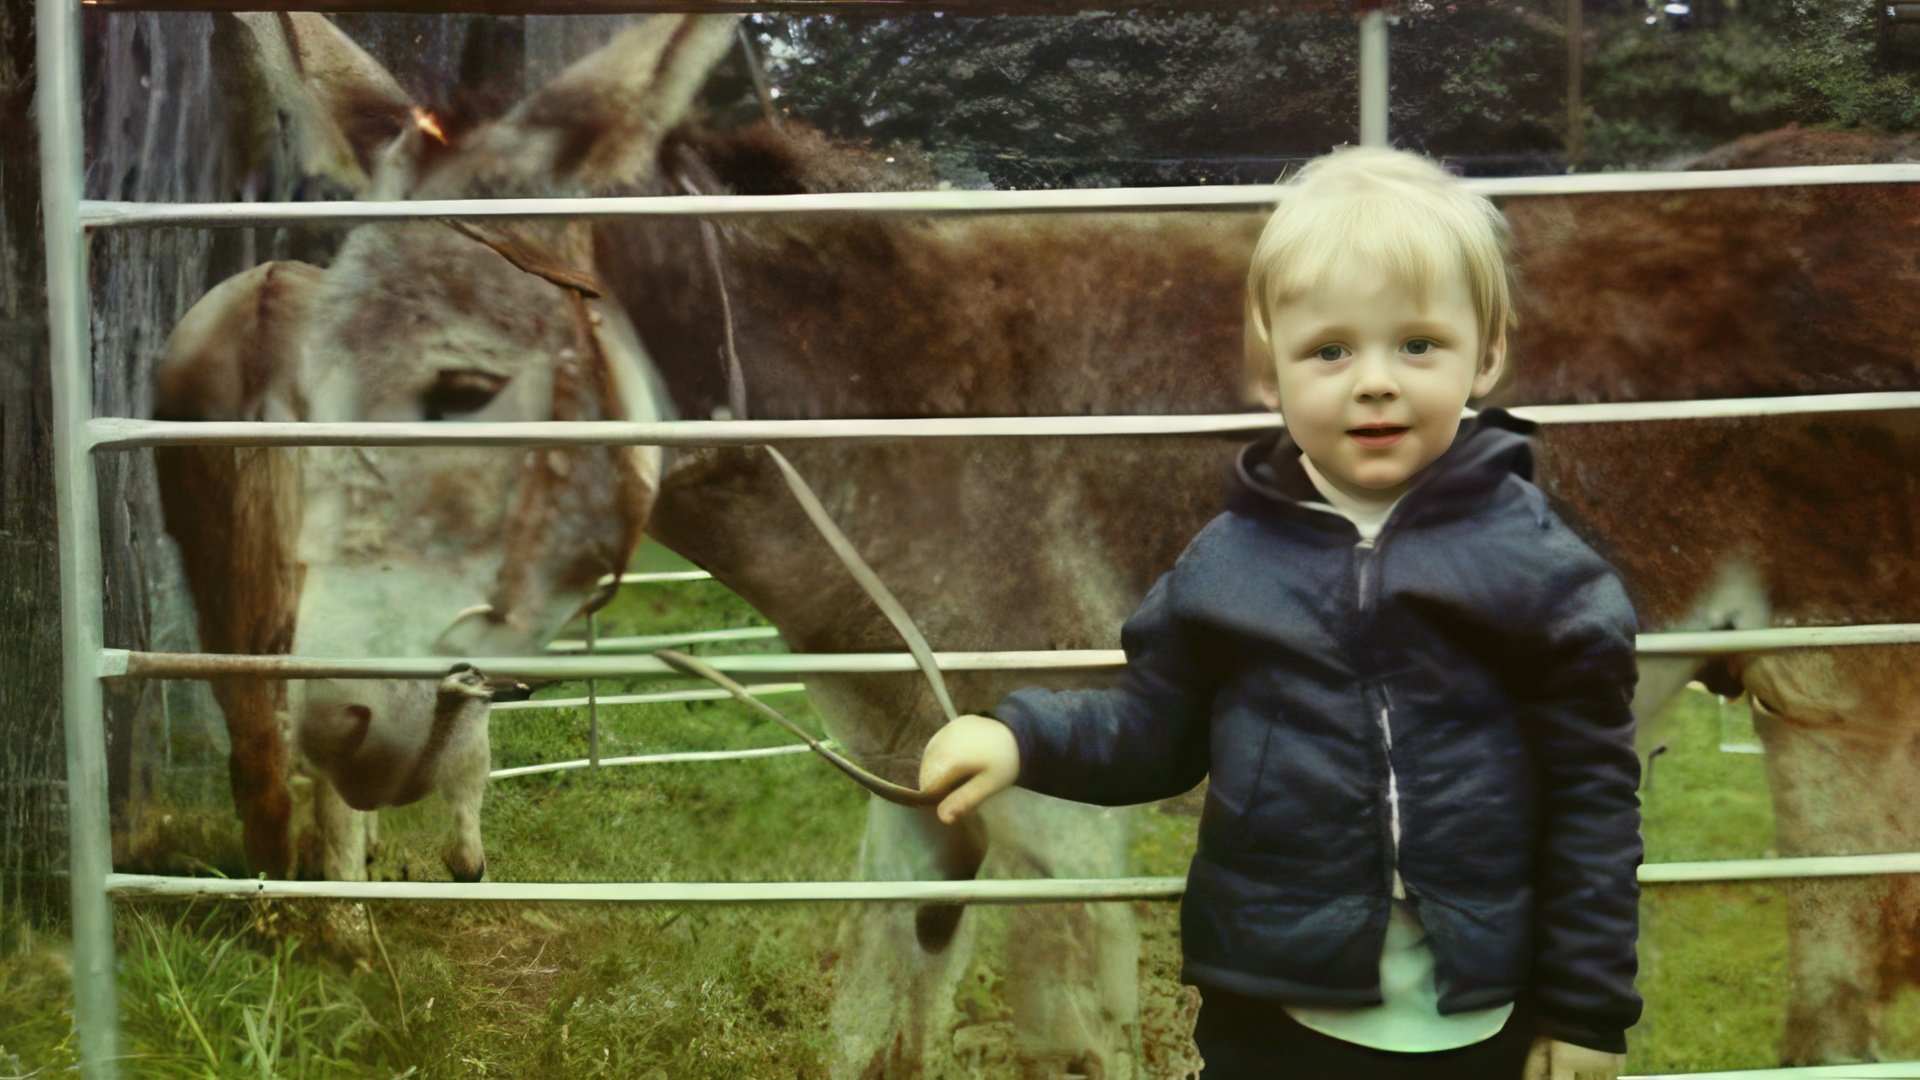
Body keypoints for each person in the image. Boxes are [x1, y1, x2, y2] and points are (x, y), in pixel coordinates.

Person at [919, 145, 1642, 1080]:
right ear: (1271, 373)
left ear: (1488, 353)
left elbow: (1593, 804)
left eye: (1417, 343)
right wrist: (1020, 738)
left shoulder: (1542, 574)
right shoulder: (1228, 563)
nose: (1374, 380)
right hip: (1270, 1013)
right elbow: (1152, 729)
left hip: (1480, 1018)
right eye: (1330, 349)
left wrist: (1586, 1012)